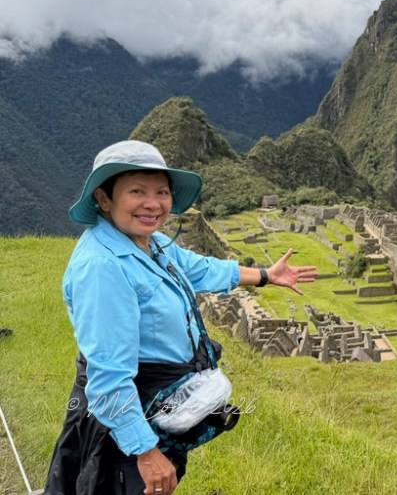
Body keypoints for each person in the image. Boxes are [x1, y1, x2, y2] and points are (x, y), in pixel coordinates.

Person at [44, 140, 319, 495]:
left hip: (161, 407)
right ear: (104, 198)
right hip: (127, 426)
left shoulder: (150, 243)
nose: (153, 203)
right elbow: (110, 376)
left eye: (162, 192)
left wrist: (266, 275)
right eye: (137, 191)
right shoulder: (103, 268)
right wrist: (145, 452)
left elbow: (199, 269)